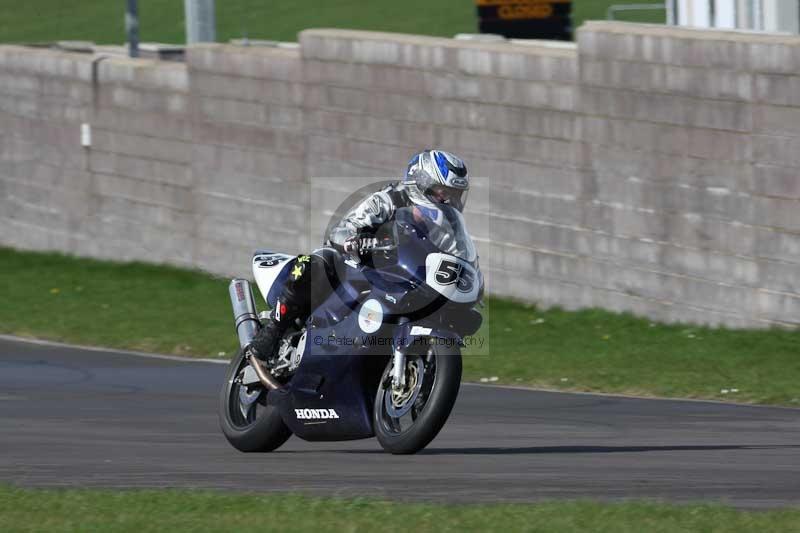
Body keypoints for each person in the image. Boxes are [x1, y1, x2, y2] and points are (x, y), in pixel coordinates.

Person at [245, 149, 470, 361]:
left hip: (405, 282)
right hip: (361, 267)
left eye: (456, 195)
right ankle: (273, 331)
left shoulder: (448, 228)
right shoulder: (389, 200)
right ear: (422, 185)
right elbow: (344, 229)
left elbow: (458, 258)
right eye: (444, 193)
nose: (450, 202)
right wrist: (355, 240)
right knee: (315, 262)